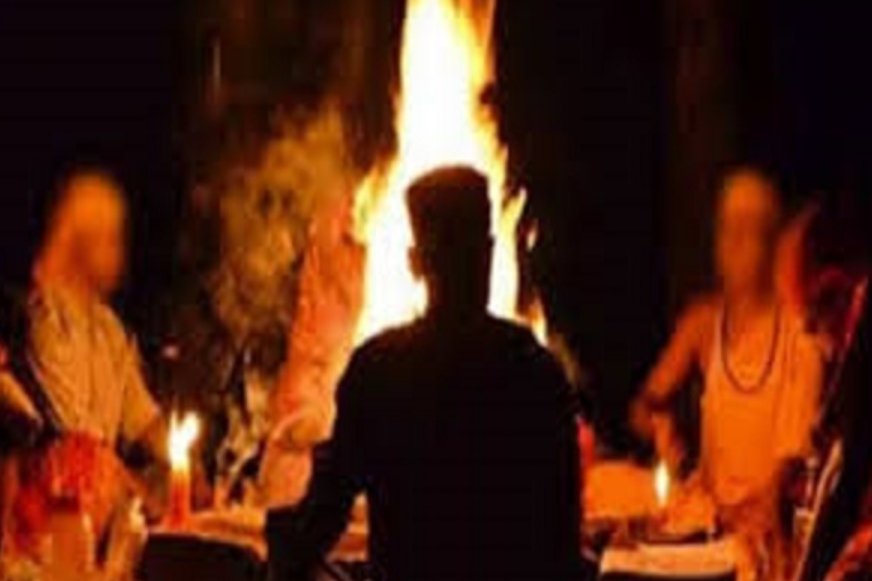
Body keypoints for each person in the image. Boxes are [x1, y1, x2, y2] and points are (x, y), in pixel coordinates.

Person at [266, 166, 580, 580]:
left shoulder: (377, 370)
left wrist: (280, 537)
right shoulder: (536, 371)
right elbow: (563, 542)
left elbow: (321, 520)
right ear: (489, 253)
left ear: (414, 263)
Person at [631, 168, 823, 576]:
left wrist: (762, 508)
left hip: (767, 537)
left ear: (771, 243)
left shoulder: (799, 333)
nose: (733, 241)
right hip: (708, 527)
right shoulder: (702, 323)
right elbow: (644, 407)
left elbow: (796, 461)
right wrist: (661, 429)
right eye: (726, 227)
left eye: (747, 228)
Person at [26, 168, 166, 463]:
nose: (120, 253)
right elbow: (82, 443)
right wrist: (139, 488)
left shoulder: (107, 326)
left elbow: (143, 419)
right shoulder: (46, 321)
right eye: (111, 239)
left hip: (100, 487)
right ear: (82, 242)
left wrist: (188, 466)